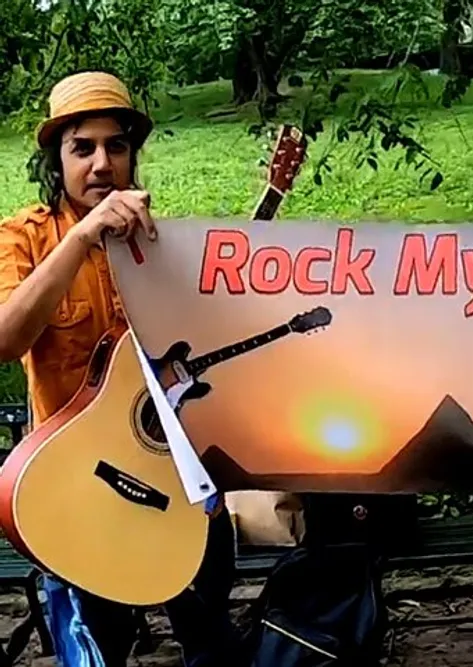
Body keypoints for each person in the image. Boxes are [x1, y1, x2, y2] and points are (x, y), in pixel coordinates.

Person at [0, 71, 236, 667]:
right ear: (56, 158)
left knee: (210, 631)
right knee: (97, 647)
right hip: (74, 482)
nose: (102, 164)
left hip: (168, 471)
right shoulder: (22, 238)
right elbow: (5, 338)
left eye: (117, 146)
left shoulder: (162, 242)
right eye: (83, 148)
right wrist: (81, 237)